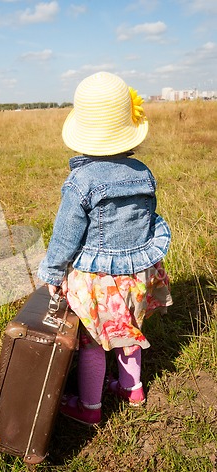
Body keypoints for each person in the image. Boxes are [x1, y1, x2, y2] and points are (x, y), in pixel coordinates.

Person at [38, 72, 172, 425]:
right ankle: (132, 389)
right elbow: (144, 219)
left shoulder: (81, 181)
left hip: (99, 281)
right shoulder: (143, 172)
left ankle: (90, 408)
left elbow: (65, 236)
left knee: (94, 343)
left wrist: (52, 273)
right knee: (129, 331)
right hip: (138, 274)